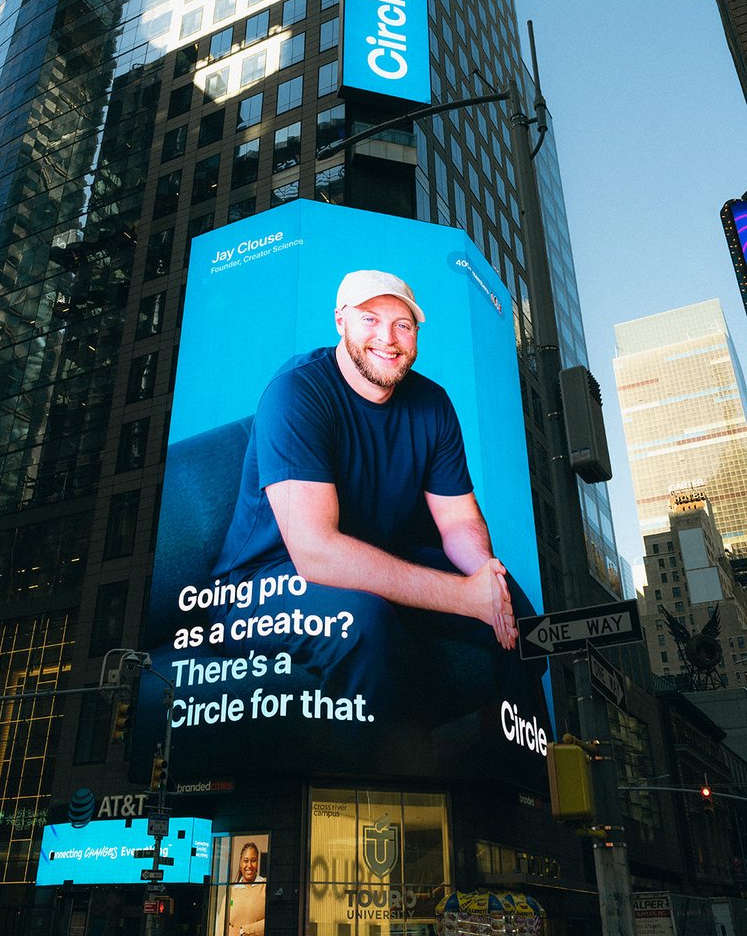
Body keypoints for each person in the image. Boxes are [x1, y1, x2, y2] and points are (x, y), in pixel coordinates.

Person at [213, 268, 548, 744]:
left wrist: (485, 581)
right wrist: (461, 597)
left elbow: (457, 520)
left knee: (518, 618)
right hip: (261, 584)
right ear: (340, 321)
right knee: (365, 625)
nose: (387, 339)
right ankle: (376, 794)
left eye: (402, 325)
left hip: (377, 556)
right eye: (370, 319)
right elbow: (315, 551)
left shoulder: (432, 403)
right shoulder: (296, 393)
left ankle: (521, 782)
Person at [228, 841, 266, 936]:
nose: (249, 865)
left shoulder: (265, 886)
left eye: (253, 860)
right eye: (245, 861)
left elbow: (272, 920)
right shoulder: (232, 891)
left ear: (257, 864)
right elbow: (221, 925)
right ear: (240, 864)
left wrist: (243, 931)